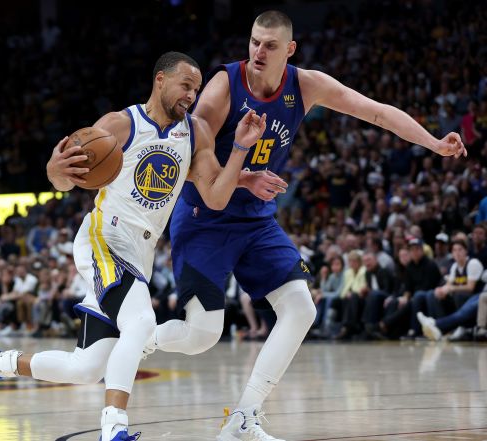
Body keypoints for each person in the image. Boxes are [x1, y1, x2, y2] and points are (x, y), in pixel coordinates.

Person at [142, 11, 467, 441]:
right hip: (206, 216)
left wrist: (434, 143)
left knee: (301, 308)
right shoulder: (223, 86)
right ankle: (139, 339)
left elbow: (376, 113)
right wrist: (244, 177)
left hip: (256, 219)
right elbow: (186, 161)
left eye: (270, 45)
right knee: (201, 334)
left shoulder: (305, 85)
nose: (259, 51)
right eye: (254, 42)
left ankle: (244, 417)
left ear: (290, 49)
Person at [0, 51, 267, 441]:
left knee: (85, 368)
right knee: (141, 322)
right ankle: (113, 428)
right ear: (160, 80)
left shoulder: (196, 133)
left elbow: (216, 198)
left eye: (196, 89)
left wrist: (239, 148)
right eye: (186, 86)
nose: (192, 96)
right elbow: (66, 177)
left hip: (140, 254)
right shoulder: (120, 125)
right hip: (104, 239)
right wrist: (55, 172)